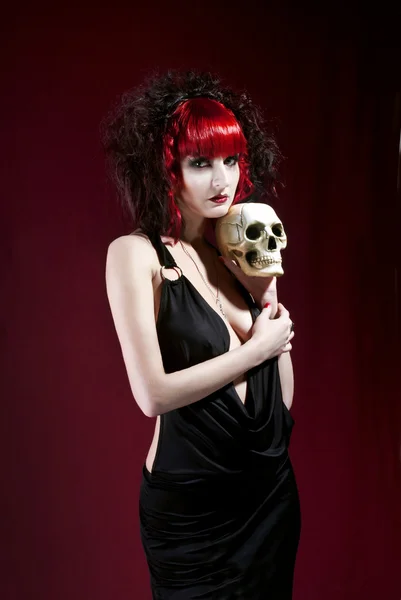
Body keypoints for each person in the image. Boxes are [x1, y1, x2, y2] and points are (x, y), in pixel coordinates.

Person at [102, 70, 300, 599]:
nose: (222, 181)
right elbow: (152, 395)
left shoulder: (235, 246)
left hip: (268, 496)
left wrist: (264, 298)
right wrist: (256, 347)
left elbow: (279, 403)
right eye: (200, 163)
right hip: (192, 508)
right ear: (166, 167)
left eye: (231, 160)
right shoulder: (135, 254)